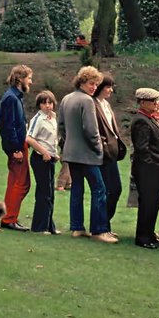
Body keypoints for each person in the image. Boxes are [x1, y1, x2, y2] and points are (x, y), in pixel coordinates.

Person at [60, 66, 116, 243]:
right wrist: (99, 148)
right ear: (82, 81)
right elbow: (91, 130)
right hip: (87, 154)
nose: (94, 87)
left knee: (77, 189)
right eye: (91, 83)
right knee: (99, 189)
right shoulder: (87, 101)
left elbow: (61, 126)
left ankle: (77, 227)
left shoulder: (66, 99)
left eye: (96, 84)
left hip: (71, 153)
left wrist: (67, 143)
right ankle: (99, 230)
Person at [130, 88, 159, 249]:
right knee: (148, 204)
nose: (155, 104)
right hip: (149, 171)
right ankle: (143, 237)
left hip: (156, 170)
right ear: (142, 103)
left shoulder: (150, 119)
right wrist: (153, 166)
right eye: (152, 101)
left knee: (153, 204)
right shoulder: (141, 121)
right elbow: (142, 149)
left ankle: (149, 233)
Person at [0, 64, 34, 231]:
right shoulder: (11, 98)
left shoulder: (15, 97)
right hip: (17, 147)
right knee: (19, 183)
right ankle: (8, 218)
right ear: (20, 79)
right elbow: (8, 126)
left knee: (19, 183)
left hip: (20, 145)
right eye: (29, 78)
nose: (31, 82)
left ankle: (10, 216)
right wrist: (15, 150)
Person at [93, 74, 125, 226]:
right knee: (107, 190)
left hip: (112, 153)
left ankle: (105, 223)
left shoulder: (106, 104)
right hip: (102, 153)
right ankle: (102, 225)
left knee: (116, 189)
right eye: (108, 87)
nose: (111, 90)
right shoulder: (93, 104)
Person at [26, 90, 60, 234]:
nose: (47, 106)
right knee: (44, 192)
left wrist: (54, 154)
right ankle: (39, 227)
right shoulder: (38, 119)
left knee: (50, 192)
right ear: (39, 105)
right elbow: (29, 138)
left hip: (50, 158)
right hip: (40, 158)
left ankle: (49, 225)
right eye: (44, 103)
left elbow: (52, 139)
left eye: (50, 103)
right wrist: (44, 152)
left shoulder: (53, 118)